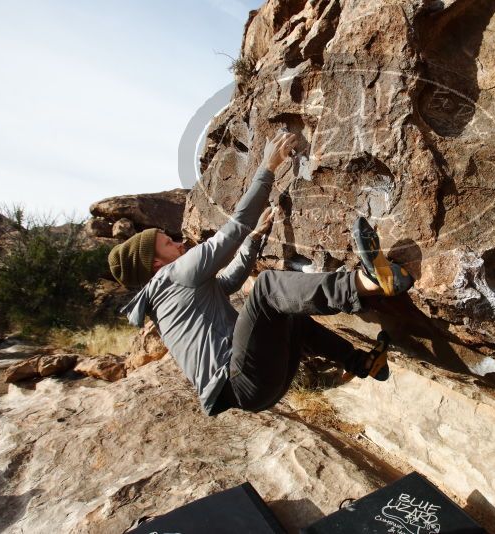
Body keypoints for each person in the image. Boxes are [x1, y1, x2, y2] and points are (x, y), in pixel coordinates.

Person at [108, 131, 414, 415]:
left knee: (289, 312)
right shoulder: (176, 275)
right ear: (156, 264)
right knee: (267, 288)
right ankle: (367, 282)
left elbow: (227, 282)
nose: (177, 242)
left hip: (254, 392)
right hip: (243, 377)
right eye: (167, 242)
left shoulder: (164, 299)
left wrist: (253, 241)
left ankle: (363, 363)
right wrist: (268, 166)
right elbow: (234, 227)